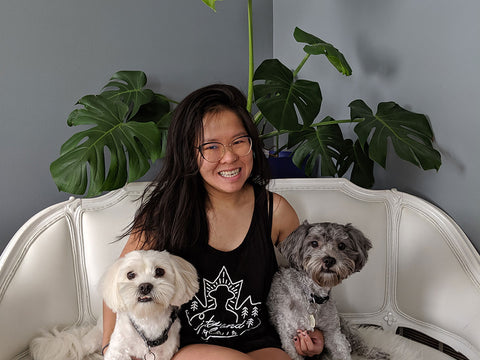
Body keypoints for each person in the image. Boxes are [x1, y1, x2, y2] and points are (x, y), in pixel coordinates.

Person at [102, 84, 324, 360]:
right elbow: (119, 281)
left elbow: (308, 283)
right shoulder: (165, 213)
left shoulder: (275, 210)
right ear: (189, 152)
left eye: (239, 141)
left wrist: (315, 333)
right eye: (211, 147)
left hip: (261, 343)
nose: (229, 157)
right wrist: (108, 349)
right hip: (190, 348)